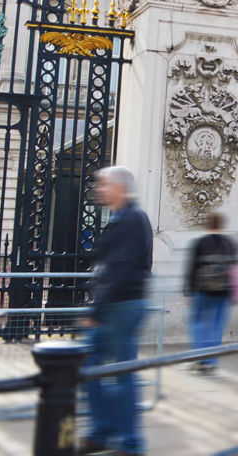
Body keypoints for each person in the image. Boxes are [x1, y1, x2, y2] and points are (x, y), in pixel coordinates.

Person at [80, 166, 154, 456]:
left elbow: (120, 268)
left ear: (122, 187)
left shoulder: (132, 219)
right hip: (118, 304)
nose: (99, 189)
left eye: (105, 184)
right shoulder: (122, 217)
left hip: (121, 306)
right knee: (96, 367)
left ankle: (125, 440)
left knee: (117, 372)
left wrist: (96, 310)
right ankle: (105, 431)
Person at [184, 211, 238, 374]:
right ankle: (212, 360)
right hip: (223, 292)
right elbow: (236, 270)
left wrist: (187, 291)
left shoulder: (201, 243)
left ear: (208, 225)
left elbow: (192, 268)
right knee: (217, 326)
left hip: (202, 290)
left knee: (197, 323)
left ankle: (200, 358)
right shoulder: (230, 244)